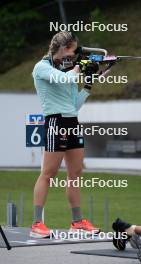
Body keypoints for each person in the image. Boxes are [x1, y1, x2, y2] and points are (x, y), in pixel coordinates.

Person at [30, 31, 100, 238]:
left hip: (71, 121)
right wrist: (80, 67)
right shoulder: (41, 68)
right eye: (71, 50)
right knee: (48, 173)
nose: (74, 54)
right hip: (55, 121)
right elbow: (61, 78)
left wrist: (88, 83)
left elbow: (74, 105)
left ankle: (77, 222)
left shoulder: (69, 70)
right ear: (61, 48)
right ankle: (36, 224)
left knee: (75, 174)